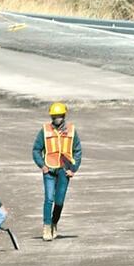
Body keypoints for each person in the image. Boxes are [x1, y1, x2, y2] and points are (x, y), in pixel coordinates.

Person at [32, 102, 82, 241]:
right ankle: (46, 227)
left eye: (59, 116)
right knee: (49, 199)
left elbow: (77, 151)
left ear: (64, 116)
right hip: (49, 169)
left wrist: (73, 169)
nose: (57, 119)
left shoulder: (71, 131)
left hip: (64, 171)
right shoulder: (45, 130)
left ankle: (54, 222)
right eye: (55, 116)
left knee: (59, 201)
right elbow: (36, 150)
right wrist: (42, 165)